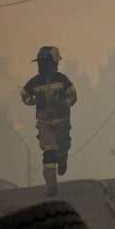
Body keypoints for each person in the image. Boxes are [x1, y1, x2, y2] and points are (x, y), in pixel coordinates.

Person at [21, 46, 77, 196]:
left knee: (63, 146)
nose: (45, 66)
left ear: (54, 64)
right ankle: (51, 186)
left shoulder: (62, 80)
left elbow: (73, 95)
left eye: (47, 63)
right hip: (45, 123)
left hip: (62, 121)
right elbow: (24, 95)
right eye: (42, 63)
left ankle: (63, 157)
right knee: (49, 151)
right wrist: (33, 101)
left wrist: (64, 102)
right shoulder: (35, 82)